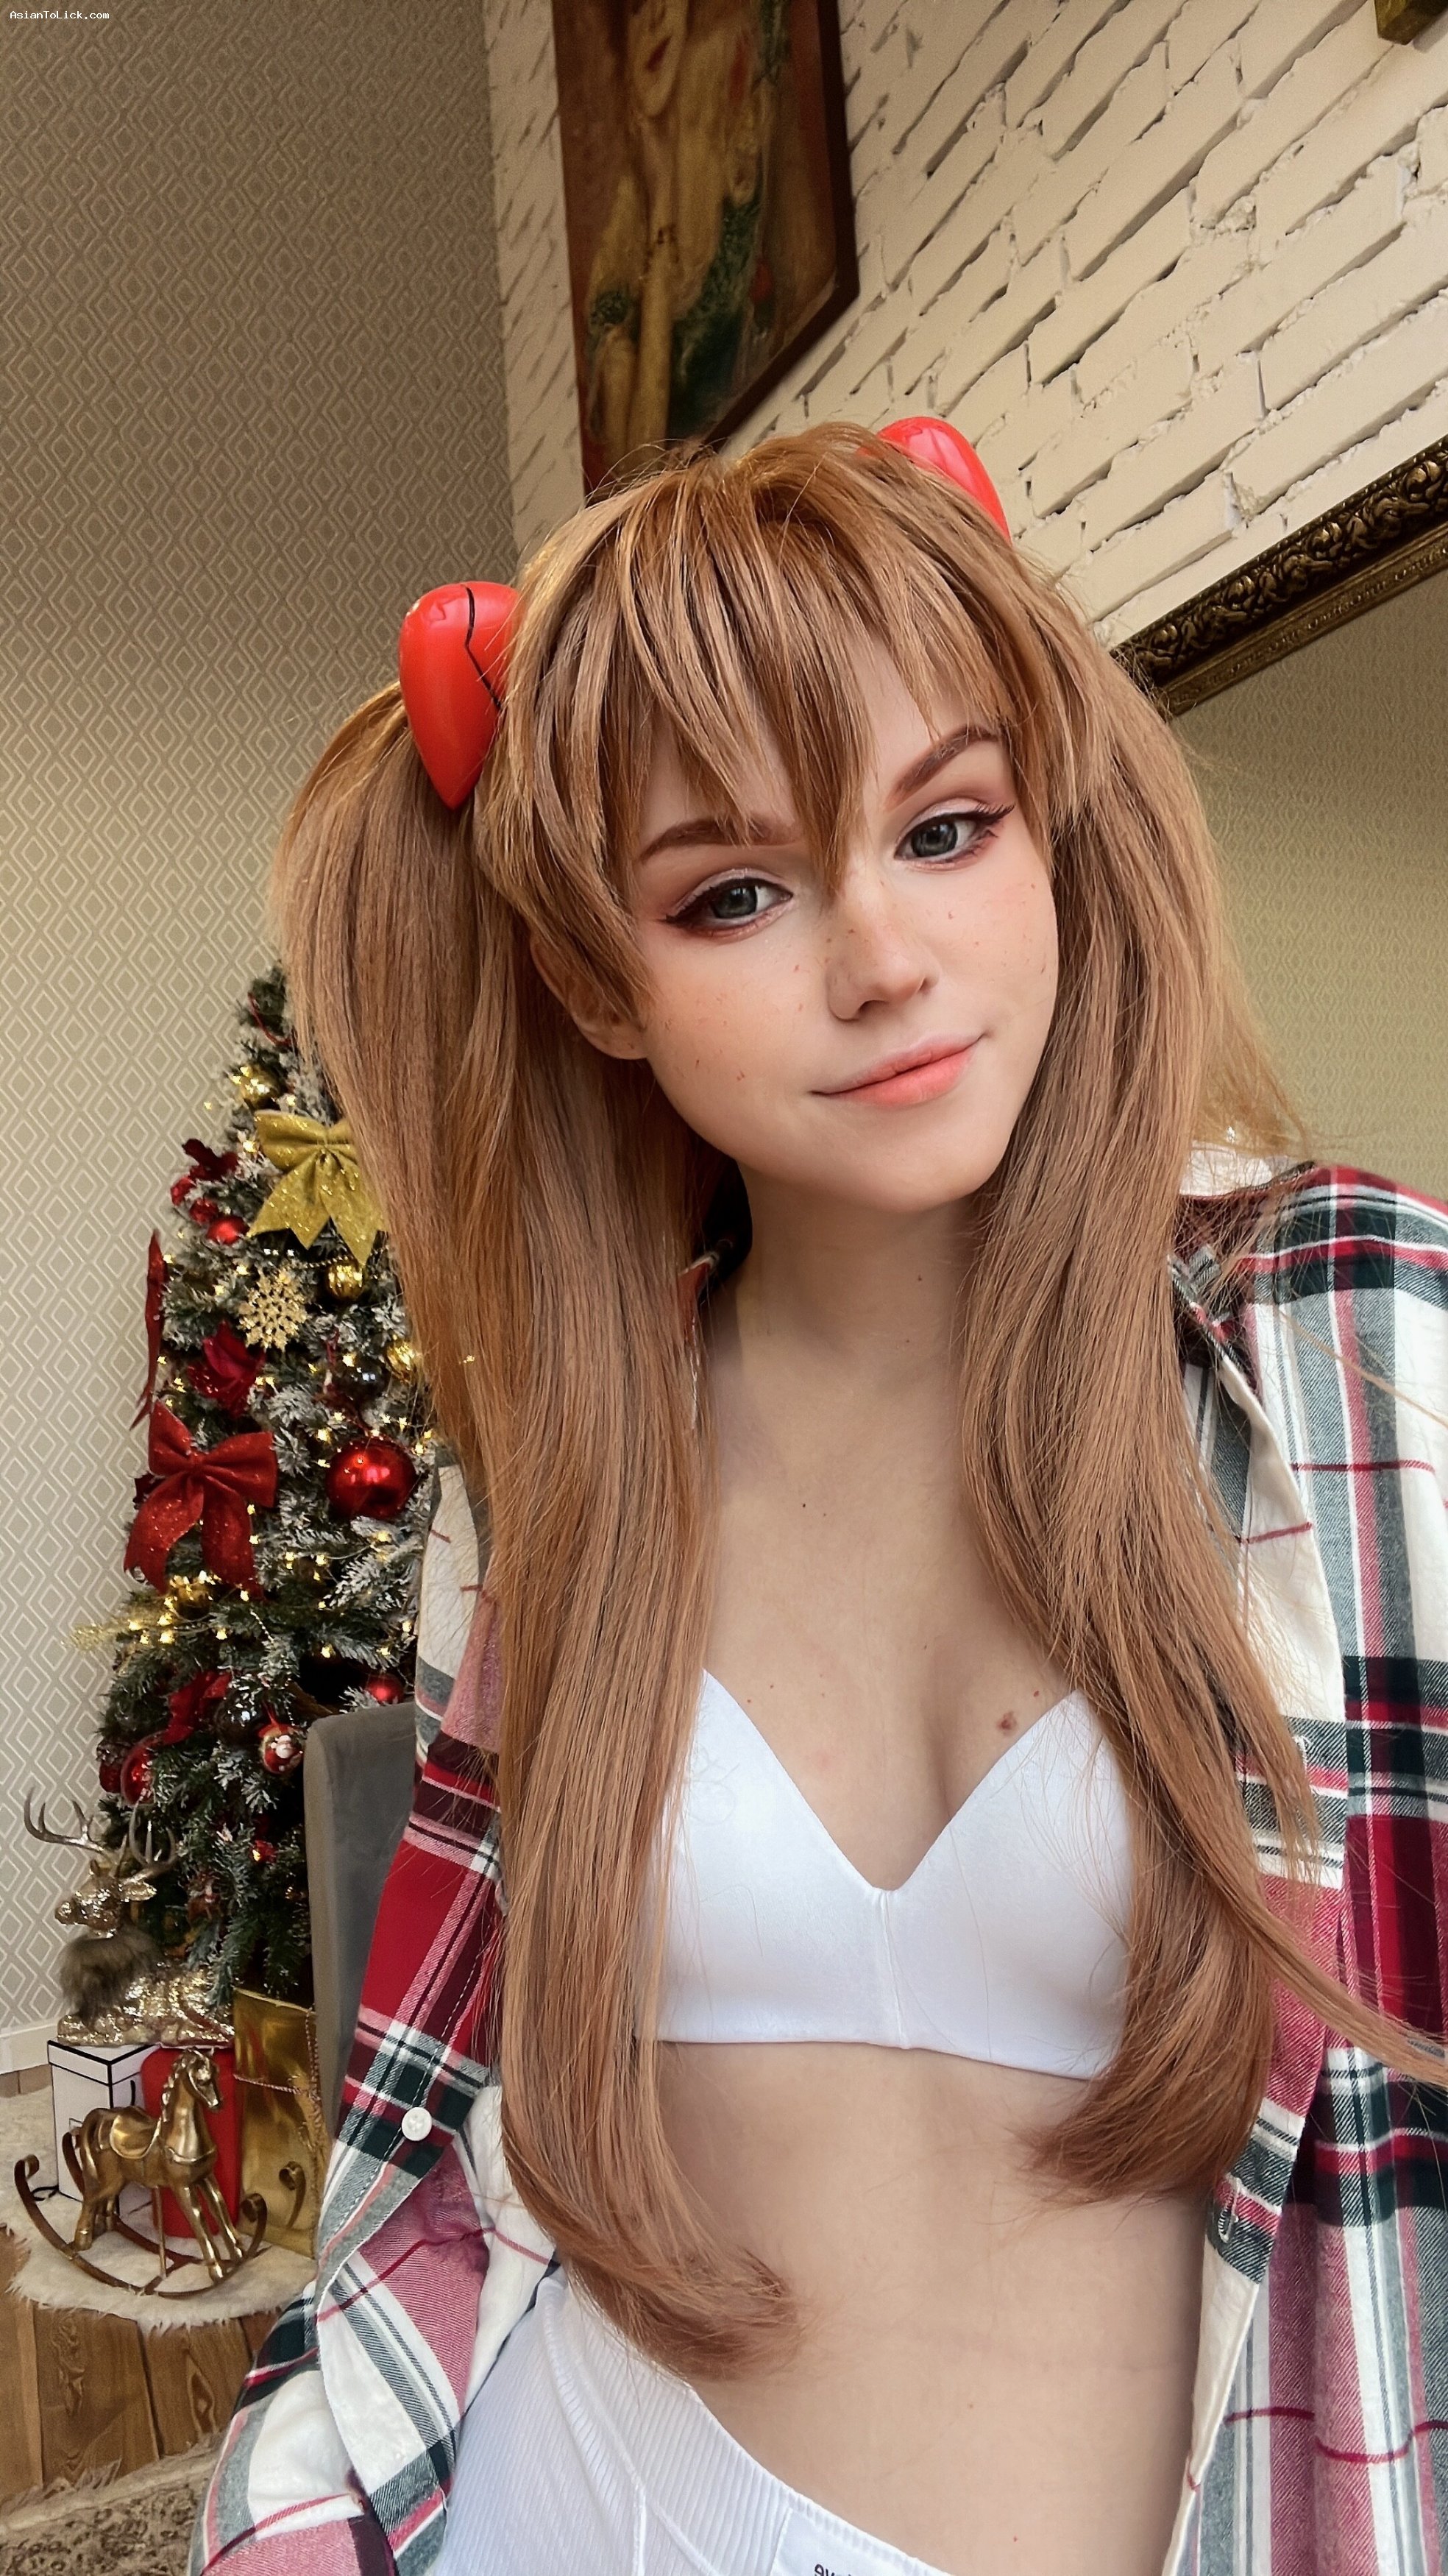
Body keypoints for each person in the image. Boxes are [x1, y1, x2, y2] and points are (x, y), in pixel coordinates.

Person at [191, 420, 1448, 2576]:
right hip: (574, 2500)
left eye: (946, 828)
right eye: (735, 894)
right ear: (602, 981)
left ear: (1049, 830)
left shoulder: (1351, 1333)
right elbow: (440, 2129)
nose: (881, 956)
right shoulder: (577, 1473)